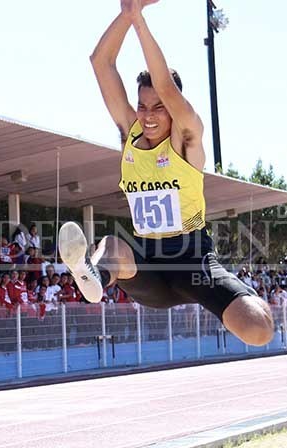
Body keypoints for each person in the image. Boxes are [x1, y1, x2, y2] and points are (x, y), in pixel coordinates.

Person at [57, 0, 272, 345]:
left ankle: (253, 299)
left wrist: (139, 20)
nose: (148, 115)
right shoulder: (131, 134)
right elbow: (101, 63)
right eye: (142, 106)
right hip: (148, 267)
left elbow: (168, 89)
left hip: (192, 262)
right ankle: (92, 275)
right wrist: (126, 14)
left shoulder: (186, 137)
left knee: (258, 329)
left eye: (158, 107)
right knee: (112, 243)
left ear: (173, 110)